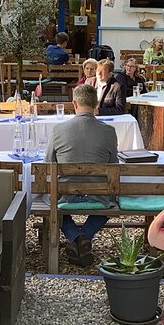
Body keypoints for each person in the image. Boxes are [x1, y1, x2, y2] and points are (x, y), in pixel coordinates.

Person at [44, 84, 118, 267]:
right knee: (112, 201)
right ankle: (84, 236)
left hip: (65, 195)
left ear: (74, 104)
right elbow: (114, 166)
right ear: (96, 104)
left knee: (51, 202)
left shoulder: (58, 130)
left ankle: (77, 237)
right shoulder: (109, 131)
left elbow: (48, 164)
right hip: (99, 195)